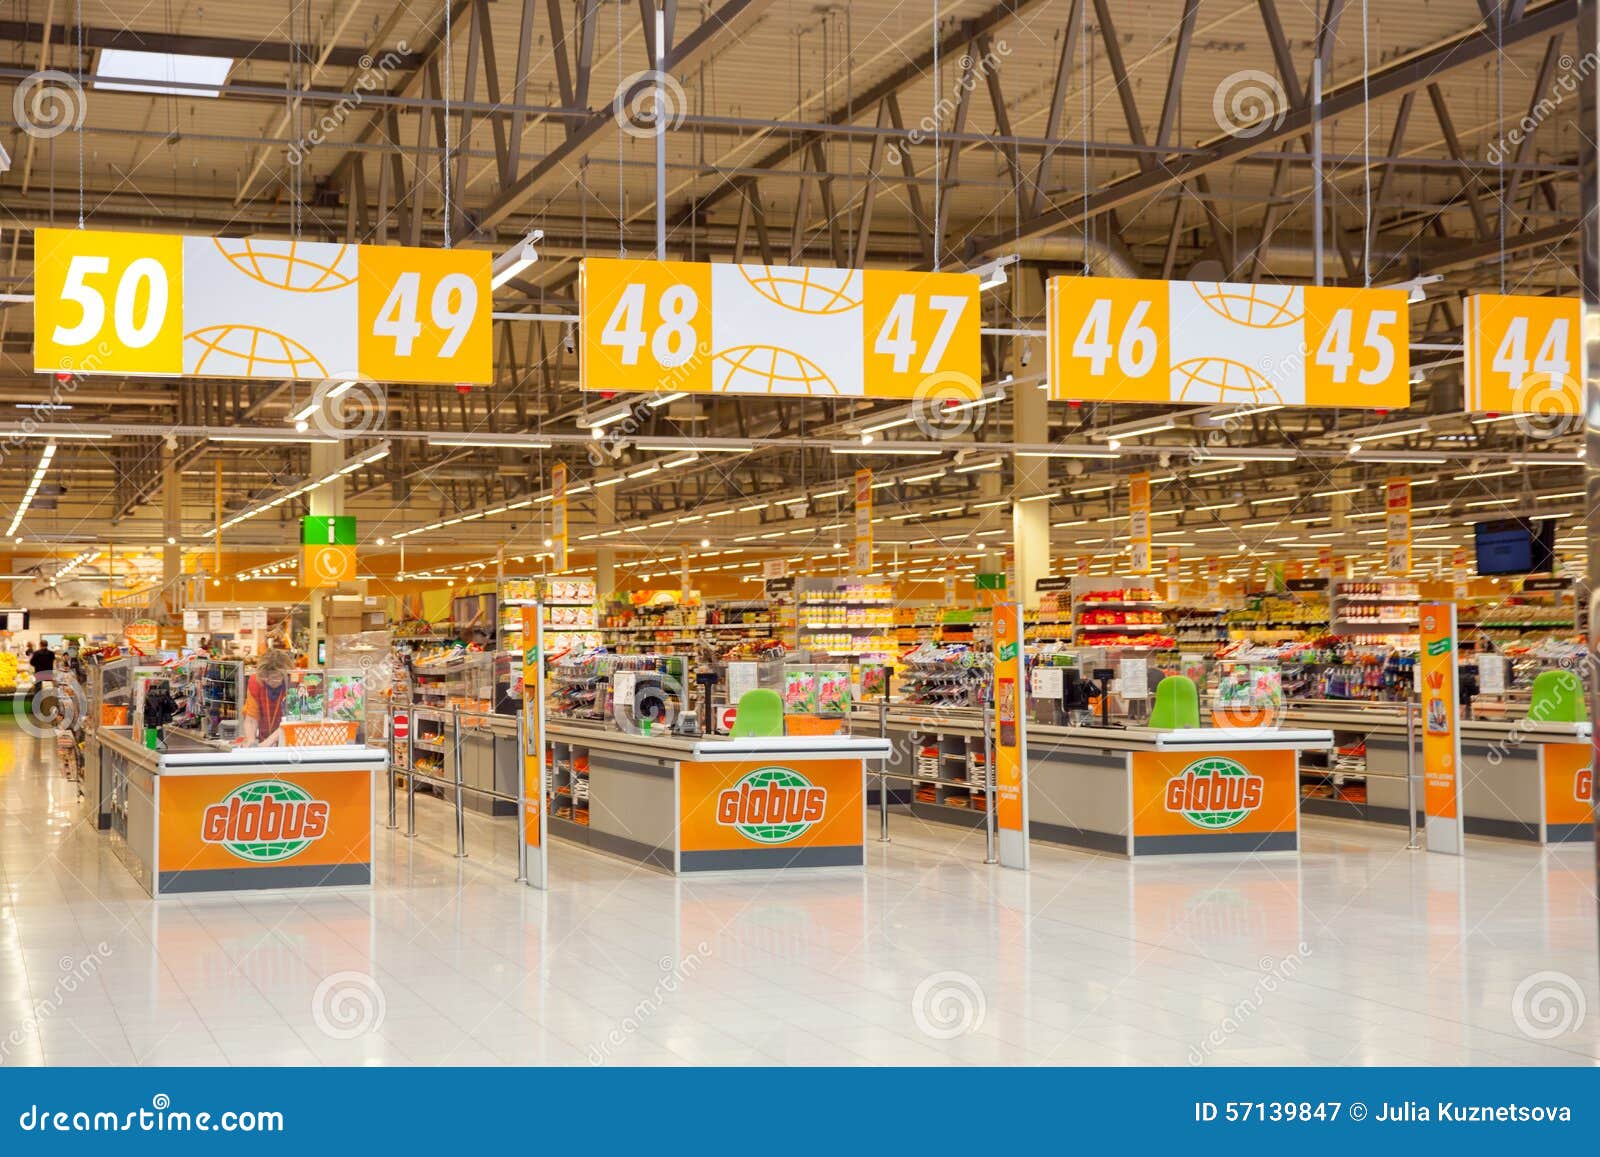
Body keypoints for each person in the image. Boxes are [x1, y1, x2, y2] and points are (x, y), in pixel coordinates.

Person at [240, 648, 296, 747]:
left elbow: (293, 721)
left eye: (275, 677)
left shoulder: (295, 683)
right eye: (266, 677)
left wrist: (267, 743)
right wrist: (250, 740)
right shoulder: (256, 681)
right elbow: (251, 719)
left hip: (290, 743)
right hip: (264, 741)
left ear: (286, 674)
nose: (270, 681)